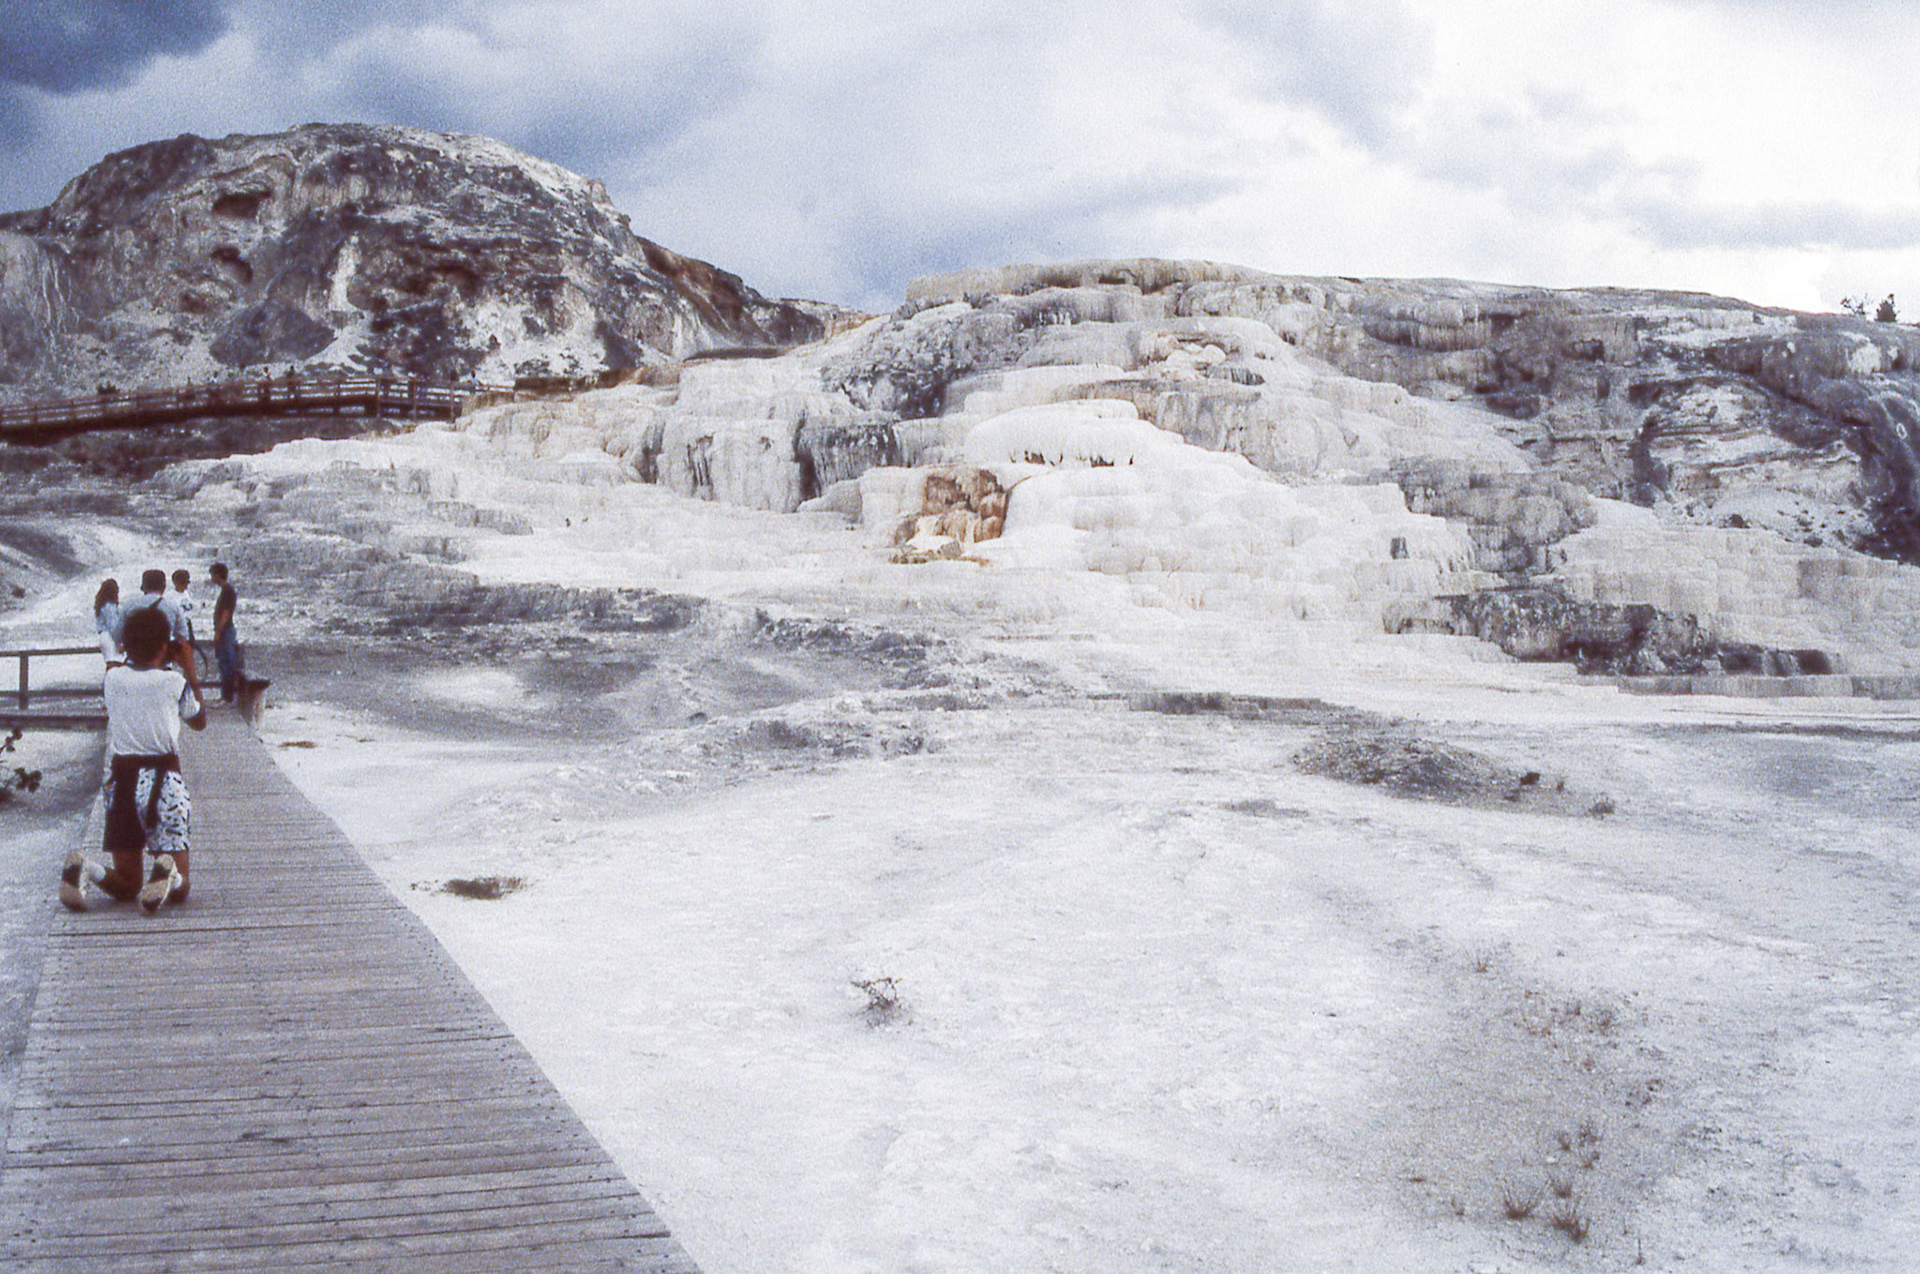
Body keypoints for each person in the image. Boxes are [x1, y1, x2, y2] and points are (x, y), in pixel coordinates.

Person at [60, 605, 207, 915]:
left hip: (121, 781)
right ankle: (172, 875)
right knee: (182, 891)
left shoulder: (112, 679)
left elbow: (118, 660)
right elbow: (199, 720)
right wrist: (189, 670)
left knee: (128, 884)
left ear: (126, 644)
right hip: (163, 780)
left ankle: (88, 868)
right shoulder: (173, 683)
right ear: (166, 646)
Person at [116, 569, 197, 684]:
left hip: (134, 665)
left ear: (143, 587)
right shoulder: (173, 606)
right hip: (162, 663)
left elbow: (117, 634)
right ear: (163, 587)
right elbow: (183, 637)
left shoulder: (129, 605)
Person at [210, 562, 242, 704]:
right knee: (224, 662)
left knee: (226, 663)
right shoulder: (226, 590)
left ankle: (227, 697)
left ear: (218, 575)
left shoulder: (228, 591)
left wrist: (218, 631)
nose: (211, 578)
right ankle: (226, 696)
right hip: (225, 630)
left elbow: (225, 613)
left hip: (226, 631)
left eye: (212, 575)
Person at [169, 568, 199, 668]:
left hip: (187, 625)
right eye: (183, 583)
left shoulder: (187, 594)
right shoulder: (170, 596)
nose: (185, 586)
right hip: (176, 627)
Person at [92, 578, 121, 662]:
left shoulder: (102, 605)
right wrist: (119, 641)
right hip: (109, 637)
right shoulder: (110, 606)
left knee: (109, 662)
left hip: (102, 636)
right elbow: (112, 626)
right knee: (114, 662)